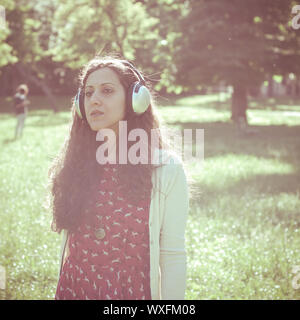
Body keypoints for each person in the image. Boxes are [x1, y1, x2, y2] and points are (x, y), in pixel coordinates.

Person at [48, 56, 190, 300]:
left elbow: (172, 254)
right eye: (89, 92)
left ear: (136, 99)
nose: (94, 99)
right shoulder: (77, 164)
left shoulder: (166, 169)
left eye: (107, 91)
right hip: (75, 288)